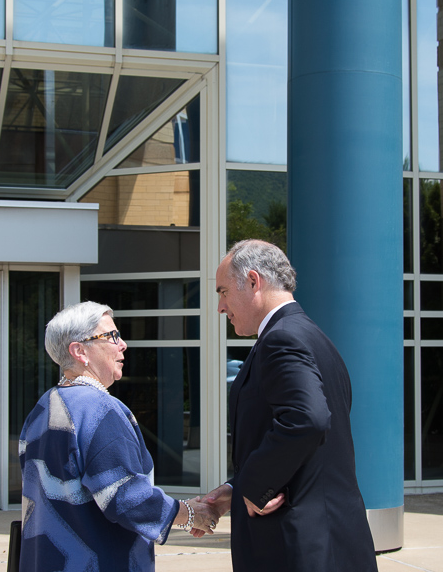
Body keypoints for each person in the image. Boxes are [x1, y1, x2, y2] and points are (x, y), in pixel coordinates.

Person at [203, 239, 378, 572]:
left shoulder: (281, 339)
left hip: (299, 548)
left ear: (253, 281)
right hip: (329, 542)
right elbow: (309, 447)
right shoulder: (313, 337)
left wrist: (255, 485)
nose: (221, 307)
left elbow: (307, 419)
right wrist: (237, 489)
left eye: (223, 292)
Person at [19, 301, 218, 572]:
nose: (122, 344)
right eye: (112, 336)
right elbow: (126, 498)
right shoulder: (99, 409)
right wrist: (190, 514)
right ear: (79, 351)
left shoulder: (43, 408)